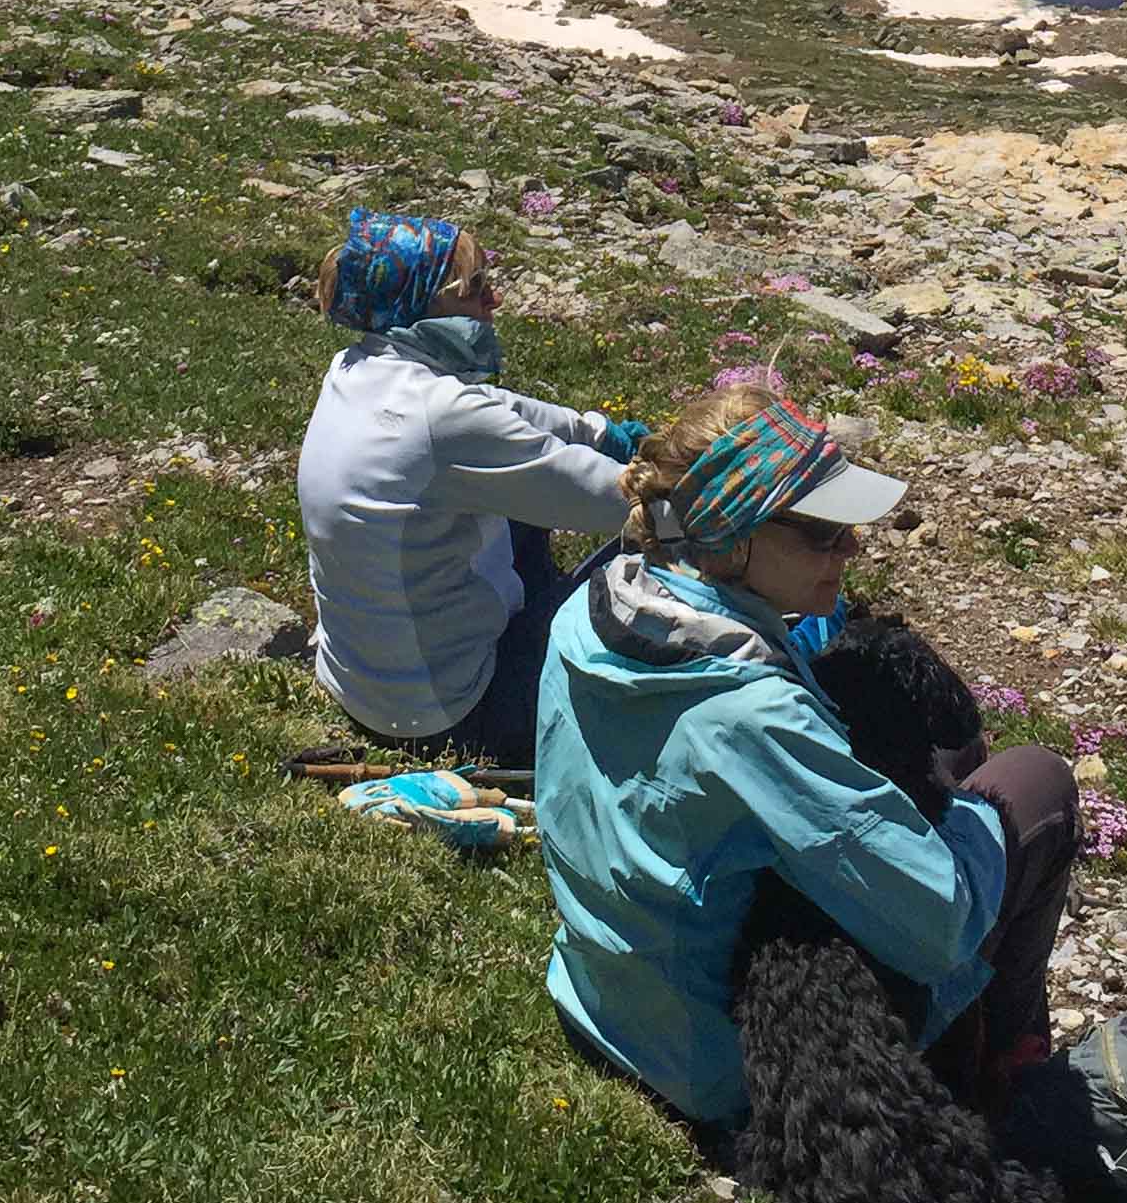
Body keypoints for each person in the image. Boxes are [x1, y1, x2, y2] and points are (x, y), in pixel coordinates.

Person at [533, 387, 1080, 1137]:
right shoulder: (751, 716)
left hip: (605, 994)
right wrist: (979, 819)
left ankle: (977, 1037)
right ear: (731, 543)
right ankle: (1009, 1072)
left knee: (947, 752)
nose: (851, 548)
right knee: (1036, 784)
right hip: (722, 1060)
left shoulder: (590, 607)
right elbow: (943, 918)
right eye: (823, 534)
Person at [296, 208, 635, 771]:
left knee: (516, 491)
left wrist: (595, 431)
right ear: (424, 302)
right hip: (452, 711)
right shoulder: (440, 416)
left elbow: (496, 414)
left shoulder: (357, 371)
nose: (492, 302)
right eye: (476, 289)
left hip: (361, 687)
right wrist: (710, 494)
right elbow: (613, 502)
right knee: (651, 550)